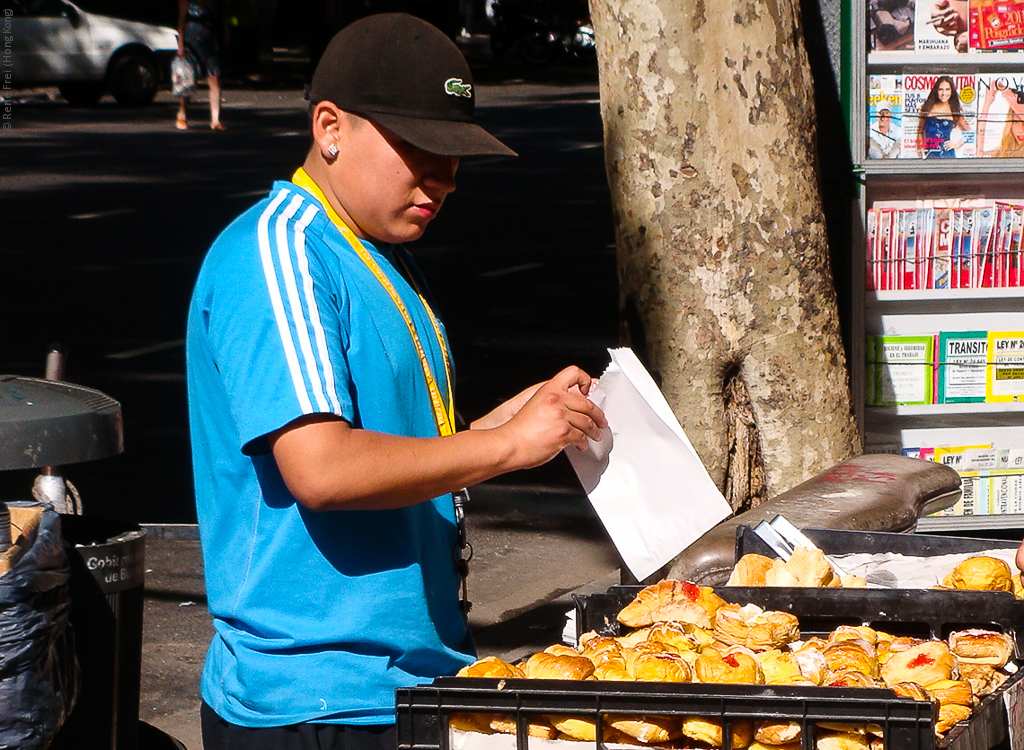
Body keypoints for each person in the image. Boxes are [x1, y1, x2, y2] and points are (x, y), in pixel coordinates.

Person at [185, 13, 607, 750]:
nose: (441, 180)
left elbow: (401, 457)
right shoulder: (278, 252)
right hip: (315, 703)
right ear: (330, 128)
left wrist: (505, 427)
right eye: (418, 149)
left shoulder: (376, 250)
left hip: (407, 686)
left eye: (455, 157)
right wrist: (504, 447)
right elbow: (322, 469)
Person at [176, 0, 229, 131]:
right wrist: (181, 45)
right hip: (191, 43)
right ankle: (182, 113)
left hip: (211, 42)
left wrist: (226, 31)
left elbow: (220, 17)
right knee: (190, 80)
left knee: (214, 77)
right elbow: (181, 21)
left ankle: (215, 121)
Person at [916, 76, 970, 158]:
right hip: (930, 155)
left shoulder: (954, 110)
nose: (944, 93)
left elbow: (971, 133)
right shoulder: (927, 107)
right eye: (941, 89)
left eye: (947, 89)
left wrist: (956, 145)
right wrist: (922, 153)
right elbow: (920, 132)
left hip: (948, 155)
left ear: (952, 91)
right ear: (936, 90)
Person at [978, 81, 1024, 157]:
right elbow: (979, 155)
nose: (1020, 130)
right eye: (1015, 122)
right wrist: (987, 103)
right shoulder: (1002, 151)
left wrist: (1007, 93)